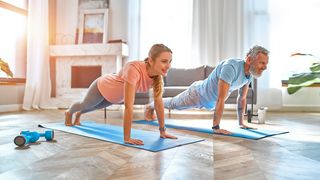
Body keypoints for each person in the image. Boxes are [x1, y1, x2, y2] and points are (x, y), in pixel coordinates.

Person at [65, 44, 177, 145]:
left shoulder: (157, 77)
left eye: (170, 61)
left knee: (93, 107)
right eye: (164, 61)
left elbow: (158, 104)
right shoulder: (134, 69)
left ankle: (79, 114)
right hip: (102, 86)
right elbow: (128, 106)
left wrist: (163, 131)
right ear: (151, 61)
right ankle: (69, 113)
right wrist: (127, 138)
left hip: (114, 97)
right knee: (85, 104)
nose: (168, 65)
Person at [145, 45, 269, 134]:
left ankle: (152, 105)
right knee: (173, 104)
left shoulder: (249, 75)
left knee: (174, 104)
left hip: (208, 101)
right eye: (262, 63)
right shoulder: (230, 67)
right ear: (249, 59)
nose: (265, 67)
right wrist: (216, 127)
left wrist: (242, 123)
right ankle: (150, 106)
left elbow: (241, 98)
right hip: (197, 95)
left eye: (266, 63)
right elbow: (221, 99)